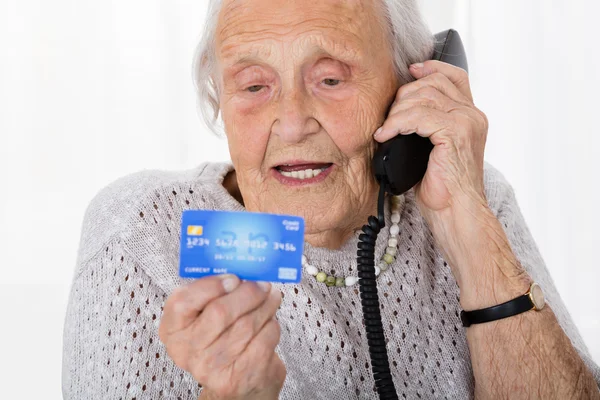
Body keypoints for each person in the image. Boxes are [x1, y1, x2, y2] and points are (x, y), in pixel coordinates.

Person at [62, 0, 600, 398]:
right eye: (254, 86)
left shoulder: (469, 194)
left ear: (407, 86)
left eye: (330, 78)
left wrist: (470, 234)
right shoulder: (142, 233)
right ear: (218, 101)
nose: (293, 124)